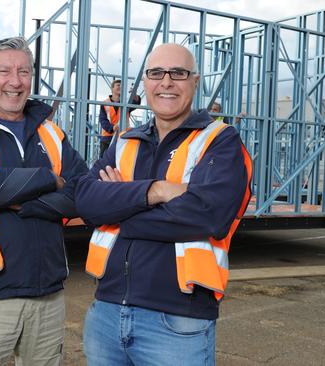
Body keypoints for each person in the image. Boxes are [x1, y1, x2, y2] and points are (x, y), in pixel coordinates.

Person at [76, 43, 252, 365]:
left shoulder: (218, 140)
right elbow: (86, 201)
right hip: (106, 312)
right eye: (156, 73)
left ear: (195, 82)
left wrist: (117, 212)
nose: (166, 82)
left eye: (178, 73)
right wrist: (156, 192)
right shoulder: (126, 141)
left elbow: (207, 215)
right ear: (145, 82)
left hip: (177, 322)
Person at [0, 36, 88, 366]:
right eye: (4, 71)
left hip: (47, 293)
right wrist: (50, 179)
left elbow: (83, 190)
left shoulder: (50, 133)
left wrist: (27, 204)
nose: (15, 81)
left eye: (23, 71)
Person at [98, 79, 141, 158]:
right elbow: (103, 120)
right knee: (104, 163)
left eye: (122, 86)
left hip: (123, 136)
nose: (120, 87)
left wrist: (134, 95)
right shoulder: (105, 103)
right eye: (118, 85)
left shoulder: (126, 103)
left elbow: (136, 103)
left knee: (121, 161)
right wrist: (112, 128)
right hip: (108, 137)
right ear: (112, 89)